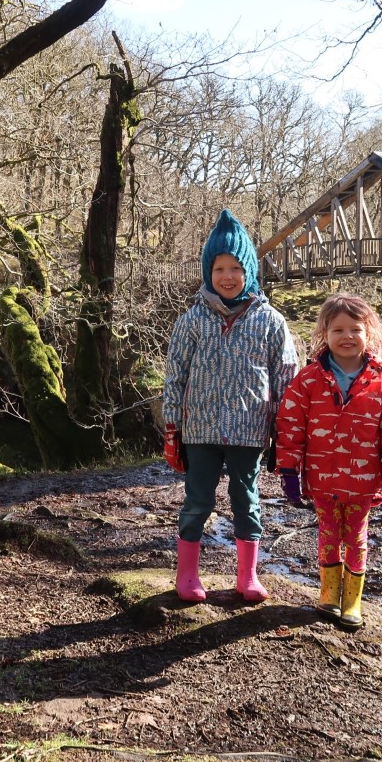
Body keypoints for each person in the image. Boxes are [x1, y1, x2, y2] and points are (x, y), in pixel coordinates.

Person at [163, 209, 298, 603]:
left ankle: (247, 576)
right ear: (209, 272)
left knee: (247, 499)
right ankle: (187, 575)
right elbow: (175, 375)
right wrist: (173, 427)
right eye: (219, 267)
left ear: (249, 271)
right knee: (197, 500)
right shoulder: (192, 320)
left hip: (250, 428)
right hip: (200, 429)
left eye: (236, 267)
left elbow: (286, 377)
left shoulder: (270, 321)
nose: (227, 276)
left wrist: (283, 430)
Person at [274, 293, 382, 630]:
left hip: (363, 480)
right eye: (338, 330)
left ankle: (352, 601)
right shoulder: (308, 379)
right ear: (324, 334)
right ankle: (328, 594)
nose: (347, 337)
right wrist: (289, 470)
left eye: (355, 329)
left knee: (357, 537)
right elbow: (290, 426)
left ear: (370, 334)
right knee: (328, 533)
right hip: (322, 478)